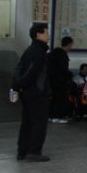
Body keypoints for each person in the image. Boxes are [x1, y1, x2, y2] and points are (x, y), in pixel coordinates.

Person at [13, 23, 51, 162]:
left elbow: (18, 69)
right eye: (46, 33)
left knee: (27, 122)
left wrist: (17, 86)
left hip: (27, 93)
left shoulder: (28, 50)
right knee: (39, 123)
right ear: (38, 35)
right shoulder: (39, 52)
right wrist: (21, 84)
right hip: (37, 93)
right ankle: (34, 152)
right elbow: (32, 73)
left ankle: (22, 151)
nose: (48, 36)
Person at [47, 36, 73, 124]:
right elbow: (63, 69)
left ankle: (51, 116)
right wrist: (69, 76)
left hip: (52, 80)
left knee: (54, 99)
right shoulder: (62, 55)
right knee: (60, 99)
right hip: (59, 81)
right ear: (69, 44)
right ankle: (57, 116)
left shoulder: (54, 53)